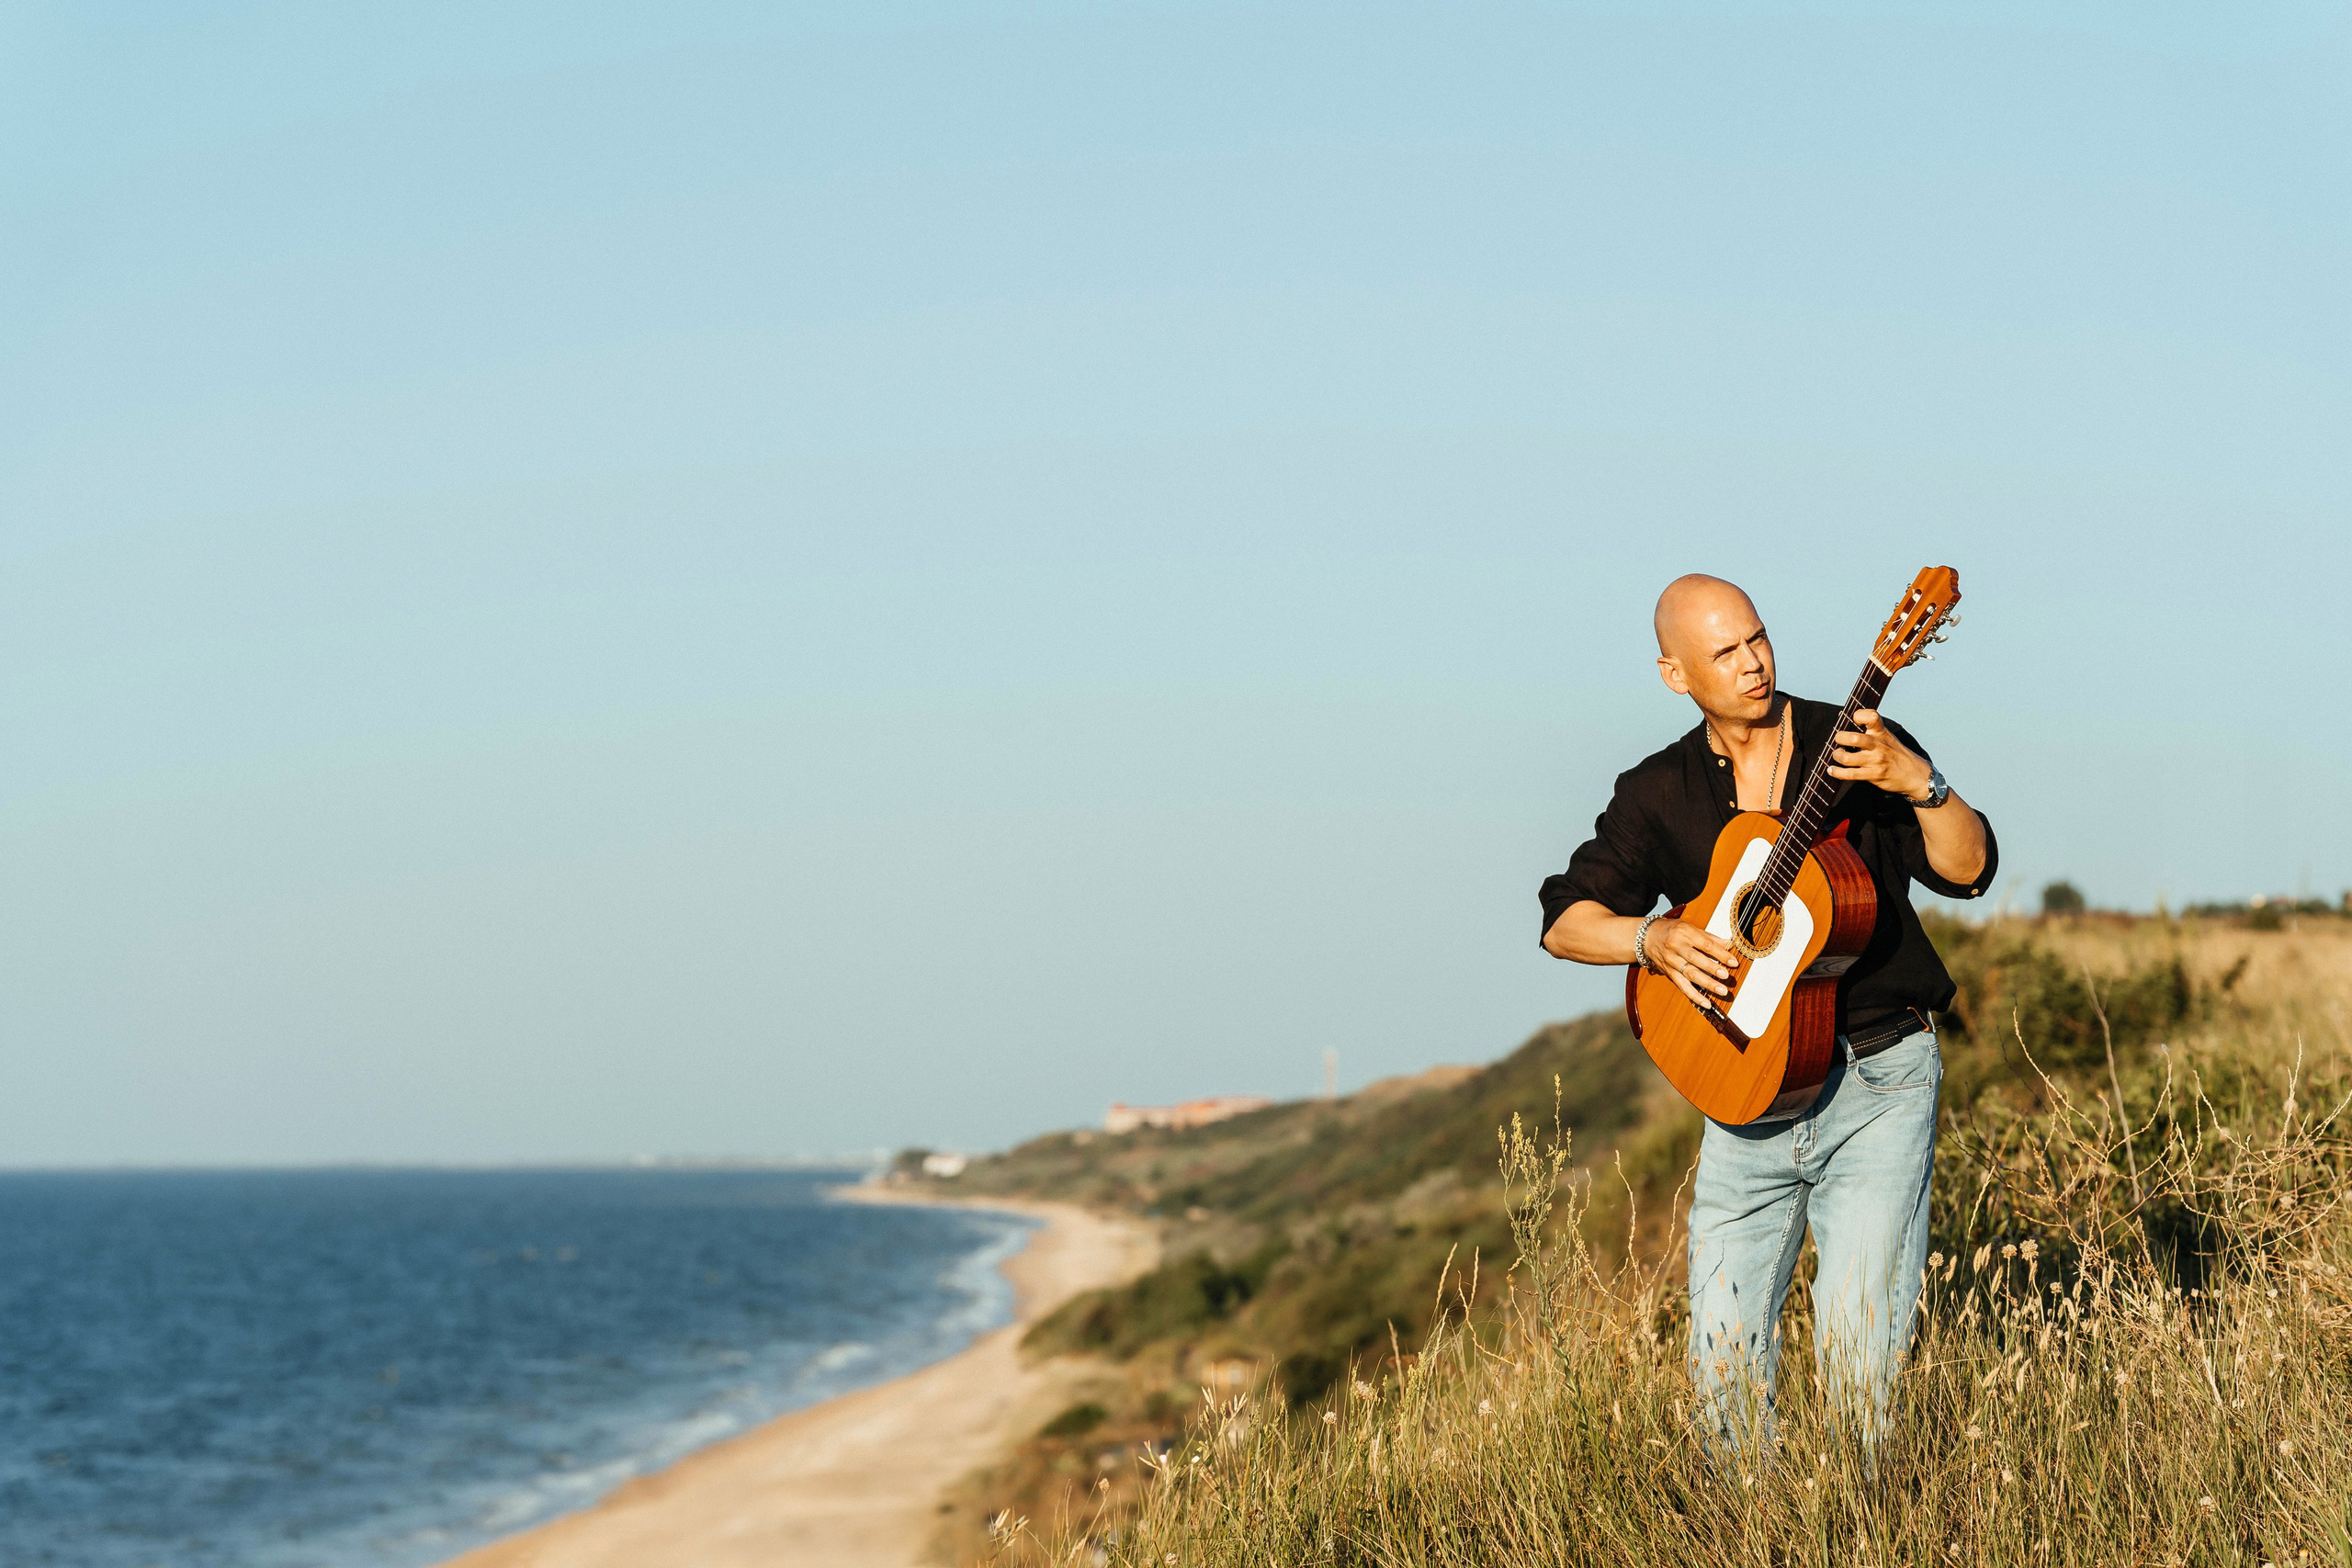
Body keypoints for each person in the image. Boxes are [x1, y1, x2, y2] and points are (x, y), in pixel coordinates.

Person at [1537, 573, 1996, 1448]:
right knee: (1721, 1359)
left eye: (1757, 638)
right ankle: (1751, 1528)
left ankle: (1855, 1535)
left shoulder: (1855, 742)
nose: (1752, 664)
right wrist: (1653, 942)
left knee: (1862, 1360)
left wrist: (1922, 783)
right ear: (1675, 674)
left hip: (1876, 1079)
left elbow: (1970, 869)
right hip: (1742, 1094)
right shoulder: (1658, 790)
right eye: (1724, 653)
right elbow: (1565, 921)